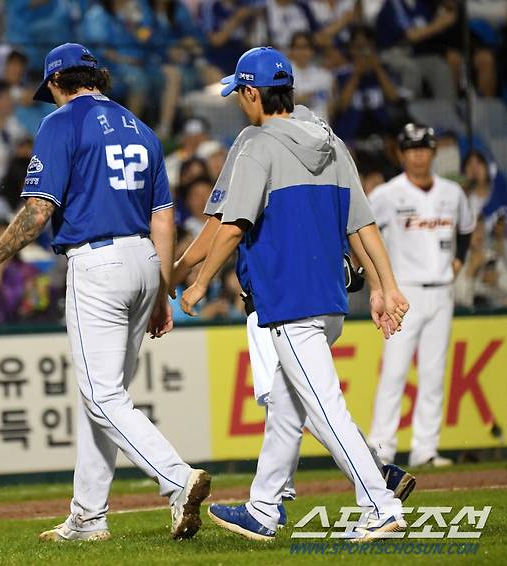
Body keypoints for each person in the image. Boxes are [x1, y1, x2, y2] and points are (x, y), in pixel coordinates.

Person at [0, 42, 211, 543]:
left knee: (101, 395)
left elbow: (37, 211)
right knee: (102, 395)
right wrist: (161, 291)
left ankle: (178, 479)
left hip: (98, 262)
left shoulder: (60, 124)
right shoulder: (141, 127)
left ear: (56, 82)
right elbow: (163, 217)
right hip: (143, 261)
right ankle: (88, 517)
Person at [178, 46, 409, 541]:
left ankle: (380, 504)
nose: (240, 102)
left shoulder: (257, 144)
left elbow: (234, 225)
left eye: (240, 93)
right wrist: (386, 286)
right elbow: (362, 224)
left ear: (254, 92)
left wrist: (197, 281)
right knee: (287, 407)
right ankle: (263, 508)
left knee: (324, 406)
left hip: (288, 298)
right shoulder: (330, 140)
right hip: (328, 297)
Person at [368, 123, 476, 468]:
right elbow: (363, 233)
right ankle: (381, 449)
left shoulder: (451, 192)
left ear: (433, 152)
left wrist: (458, 260)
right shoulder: (386, 194)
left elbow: (466, 229)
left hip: (441, 289)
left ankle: (424, 449)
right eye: (411, 149)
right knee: (394, 372)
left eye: (424, 148)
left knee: (433, 372)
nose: (418, 155)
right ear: (401, 154)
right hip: (404, 290)